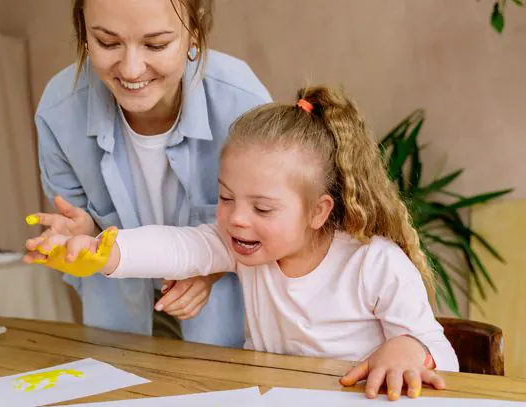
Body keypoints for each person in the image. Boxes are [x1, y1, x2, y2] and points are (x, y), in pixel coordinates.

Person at [26, 85, 460, 401]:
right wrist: (102, 250)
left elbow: (442, 354)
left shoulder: (374, 264)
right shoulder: (243, 249)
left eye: (263, 209)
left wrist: (407, 348)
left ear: (318, 211)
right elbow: (179, 247)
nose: (235, 218)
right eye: (226, 197)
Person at [26, 0, 271, 348]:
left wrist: (210, 269)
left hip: (227, 325)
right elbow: (85, 231)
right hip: (120, 322)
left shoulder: (241, 103)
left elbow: (274, 230)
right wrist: (85, 234)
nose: (131, 69)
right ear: (84, 32)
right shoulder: (59, 110)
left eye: (156, 44)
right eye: (108, 43)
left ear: (194, 32)